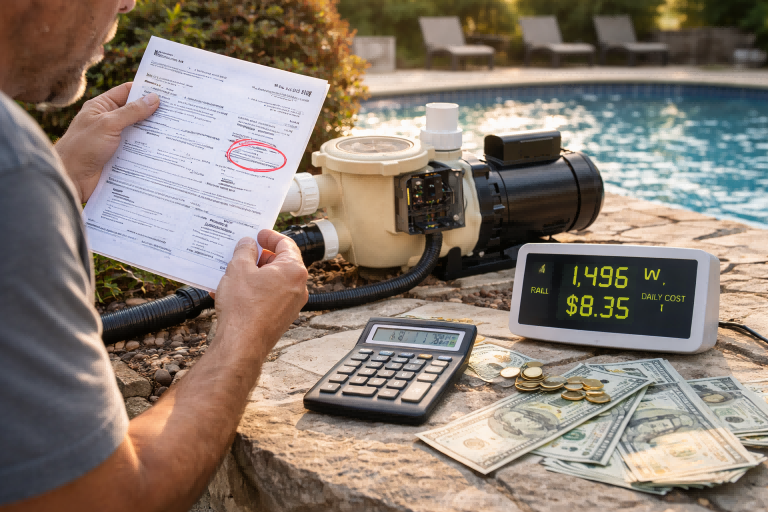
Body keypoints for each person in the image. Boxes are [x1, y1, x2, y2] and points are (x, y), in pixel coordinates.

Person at [0, 1, 308, 510]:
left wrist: (61, 178)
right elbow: (111, 501)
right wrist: (245, 333)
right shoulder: (13, 168)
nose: (129, 2)